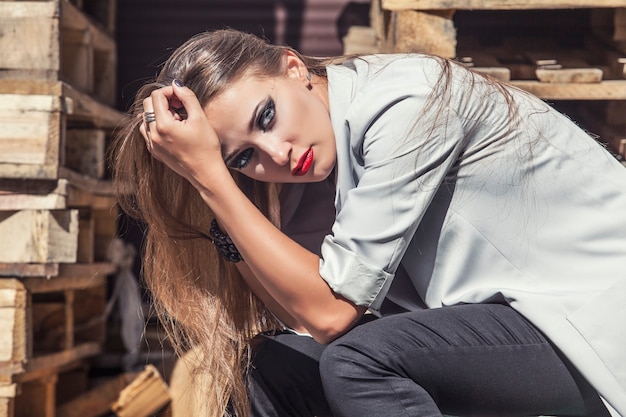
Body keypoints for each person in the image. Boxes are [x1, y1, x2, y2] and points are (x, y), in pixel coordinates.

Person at [110, 29, 626, 417]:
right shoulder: (347, 127)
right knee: (268, 371)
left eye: (266, 117)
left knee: (358, 362)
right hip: (524, 323)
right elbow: (303, 315)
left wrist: (210, 178)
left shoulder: (405, 107)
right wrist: (217, 200)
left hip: (591, 325)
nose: (278, 154)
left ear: (292, 67)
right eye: (244, 158)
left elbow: (333, 315)